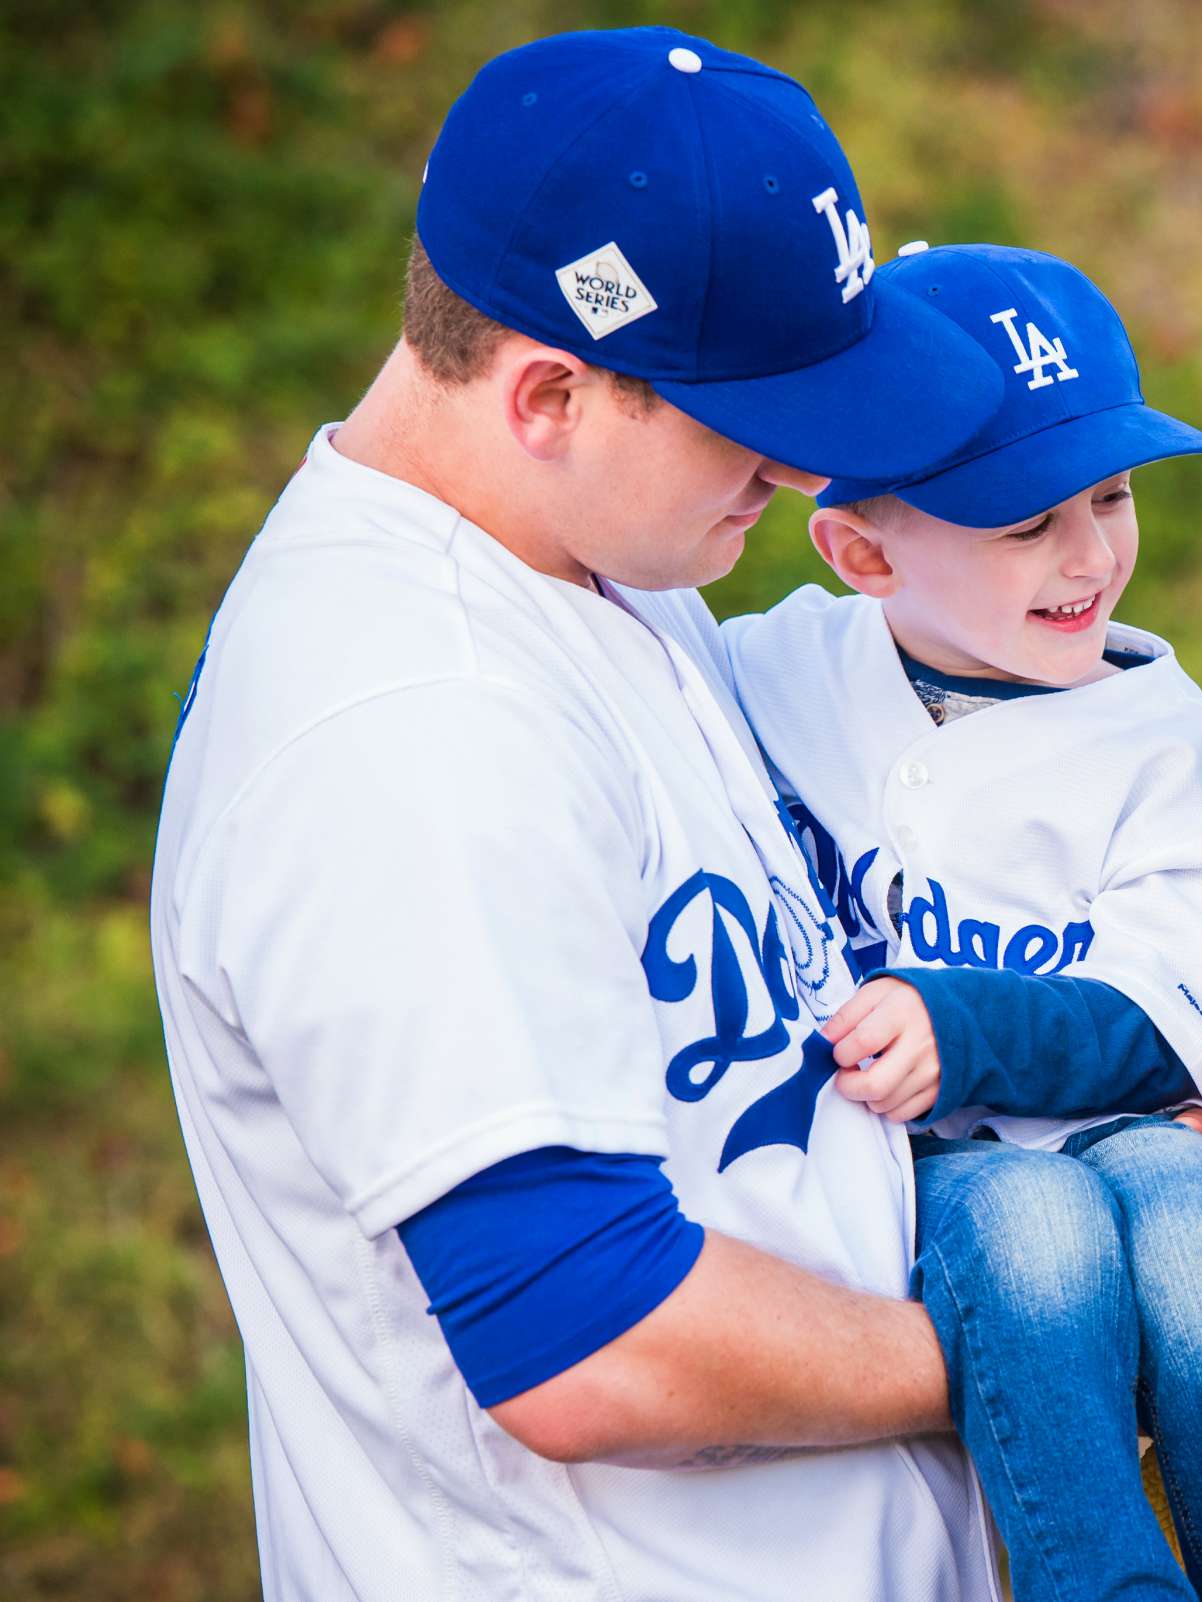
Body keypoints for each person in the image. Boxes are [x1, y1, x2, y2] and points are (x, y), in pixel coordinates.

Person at [148, 29, 1012, 1602]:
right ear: (547, 392)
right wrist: (1033, 1356)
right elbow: (587, 1336)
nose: (803, 462)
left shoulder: (599, 543)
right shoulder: (404, 730)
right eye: (753, 412)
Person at [719, 243, 1202, 1602]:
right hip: (930, 1172)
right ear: (860, 549)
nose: (1091, 553)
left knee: (1200, 1239)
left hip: (1125, 1126)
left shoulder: (1165, 737)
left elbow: (1157, 1017)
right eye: (1024, 522)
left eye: (1111, 495)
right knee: (1035, 1228)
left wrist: (970, 1024)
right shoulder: (765, 669)